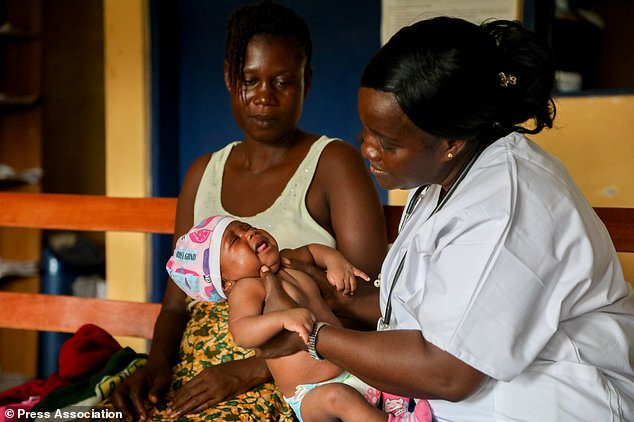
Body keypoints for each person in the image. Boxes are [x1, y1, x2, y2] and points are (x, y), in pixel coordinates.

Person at [256, 16, 634, 421]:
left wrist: (313, 338)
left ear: (450, 142)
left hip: (556, 404)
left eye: (387, 141)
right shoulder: (444, 176)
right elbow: (423, 312)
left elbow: (448, 371)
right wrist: (323, 296)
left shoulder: (506, 205)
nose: (367, 148)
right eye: (366, 129)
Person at [109, 2, 387, 421]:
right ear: (228, 78)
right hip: (195, 378)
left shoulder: (332, 164)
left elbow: (368, 302)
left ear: (306, 81)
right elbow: (173, 306)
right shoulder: (204, 172)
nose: (264, 97)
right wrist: (157, 366)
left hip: (291, 381)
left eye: (282, 81)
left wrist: (252, 370)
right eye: (250, 80)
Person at [164, 215, 432, 422]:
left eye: (246, 227)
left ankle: (397, 403)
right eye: (235, 240)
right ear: (225, 280)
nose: (249, 233)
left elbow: (316, 251)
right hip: (313, 392)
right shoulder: (247, 289)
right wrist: (282, 319)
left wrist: (337, 262)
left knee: (381, 356)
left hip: (350, 367)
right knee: (340, 397)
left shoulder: (288, 259)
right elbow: (242, 332)